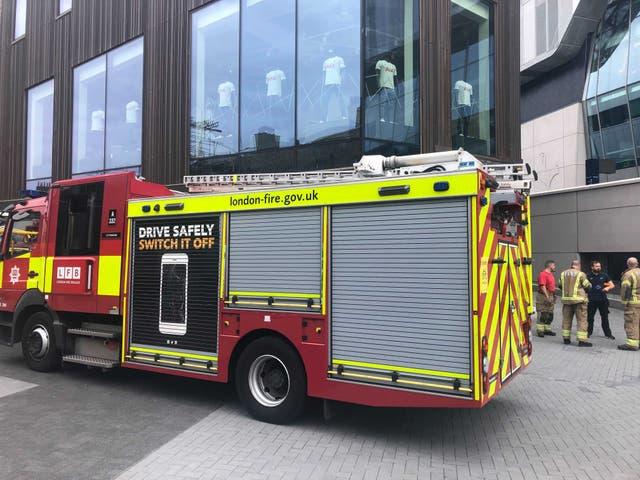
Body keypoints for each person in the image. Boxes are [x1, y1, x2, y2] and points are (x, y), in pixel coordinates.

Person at [560, 260, 592, 347]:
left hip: (566, 301)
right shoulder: (581, 274)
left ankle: (566, 339)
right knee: (582, 320)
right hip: (579, 301)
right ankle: (582, 341)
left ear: (571, 265)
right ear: (579, 265)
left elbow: (560, 285)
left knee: (566, 319)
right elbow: (587, 286)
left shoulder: (563, 273)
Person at [586, 260, 615, 339]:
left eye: (599, 266)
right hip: (591, 300)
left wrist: (608, 288)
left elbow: (612, 285)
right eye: (596, 266)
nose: (598, 268)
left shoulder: (604, 275)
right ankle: (588, 332)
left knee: (605, 317)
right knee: (590, 318)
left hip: (603, 300)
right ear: (592, 267)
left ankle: (608, 334)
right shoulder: (587, 276)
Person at [618, 257, 640, 351]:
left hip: (633, 303)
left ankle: (632, 344)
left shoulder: (628, 274)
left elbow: (625, 289)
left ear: (628, 264)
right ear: (637, 263)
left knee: (631, 323)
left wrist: (624, 302)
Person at [536, 260, 557, 337]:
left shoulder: (550, 274)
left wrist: (553, 295)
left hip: (550, 295)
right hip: (543, 296)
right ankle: (540, 331)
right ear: (550, 265)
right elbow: (542, 286)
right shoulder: (543, 274)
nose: (555, 267)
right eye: (554, 266)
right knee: (543, 313)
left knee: (550, 314)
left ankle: (547, 329)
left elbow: (551, 286)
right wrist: (547, 296)